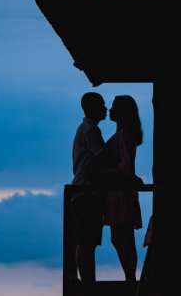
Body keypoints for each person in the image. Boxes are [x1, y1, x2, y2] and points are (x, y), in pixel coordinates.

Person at [90, 95, 144, 282]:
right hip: (120, 191)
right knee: (125, 237)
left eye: (114, 107)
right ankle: (131, 277)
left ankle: (130, 278)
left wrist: (100, 175)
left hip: (119, 192)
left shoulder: (123, 135)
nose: (110, 110)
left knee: (120, 237)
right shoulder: (124, 134)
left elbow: (126, 166)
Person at [71, 92, 108, 283]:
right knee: (86, 240)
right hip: (87, 191)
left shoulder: (84, 128)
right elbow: (103, 156)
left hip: (83, 191)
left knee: (86, 239)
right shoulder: (91, 130)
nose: (106, 108)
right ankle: (86, 282)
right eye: (102, 105)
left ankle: (86, 281)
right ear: (91, 107)